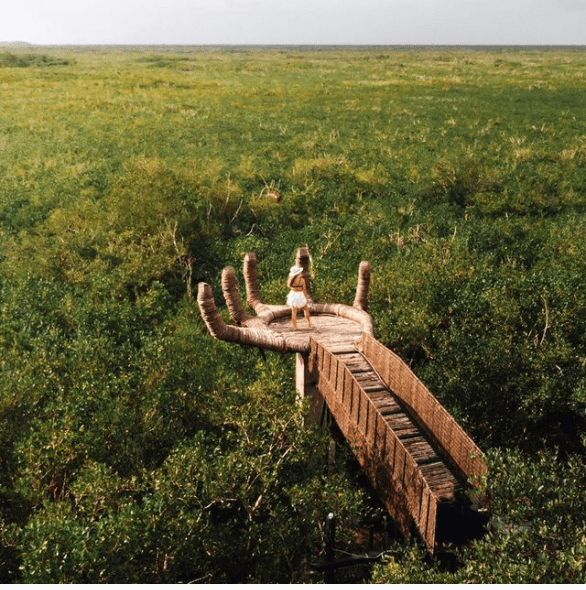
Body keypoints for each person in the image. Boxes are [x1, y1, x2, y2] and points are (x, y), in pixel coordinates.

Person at [286, 266, 312, 330]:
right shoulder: (302, 280)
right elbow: (304, 289)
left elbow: (290, 287)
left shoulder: (290, 280)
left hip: (293, 294)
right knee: (305, 309)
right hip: (300, 294)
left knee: (294, 311)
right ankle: (308, 323)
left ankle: (295, 327)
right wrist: (306, 296)